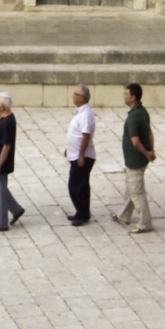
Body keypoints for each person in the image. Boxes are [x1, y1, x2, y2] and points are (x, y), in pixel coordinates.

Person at [112, 84, 156, 234]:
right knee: (130, 189)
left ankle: (145, 223)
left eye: (126, 94)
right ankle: (124, 215)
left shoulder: (133, 117)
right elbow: (149, 132)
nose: (124, 96)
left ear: (133, 97)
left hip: (135, 161)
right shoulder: (143, 112)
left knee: (137, 193)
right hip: (139, 160)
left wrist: (147, 153)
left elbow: (135, 142)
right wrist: (150, 150)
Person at [0, 91, 26, 232]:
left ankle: (1, 223)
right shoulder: (1, 118)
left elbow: (6, 146)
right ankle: (16, 209)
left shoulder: (8, 121)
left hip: (1, 163)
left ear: (2, 106)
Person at [65, 85, 97, 226]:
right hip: (75, 154)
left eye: (75, 94)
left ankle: (82, 213)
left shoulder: (86, 114)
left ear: (81, 98)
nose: (72, 96)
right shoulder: (80, 112)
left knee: (75, 186)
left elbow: (85, 136)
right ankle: (82, 212)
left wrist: (81, 155)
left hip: (83, 157)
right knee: (82, 185)